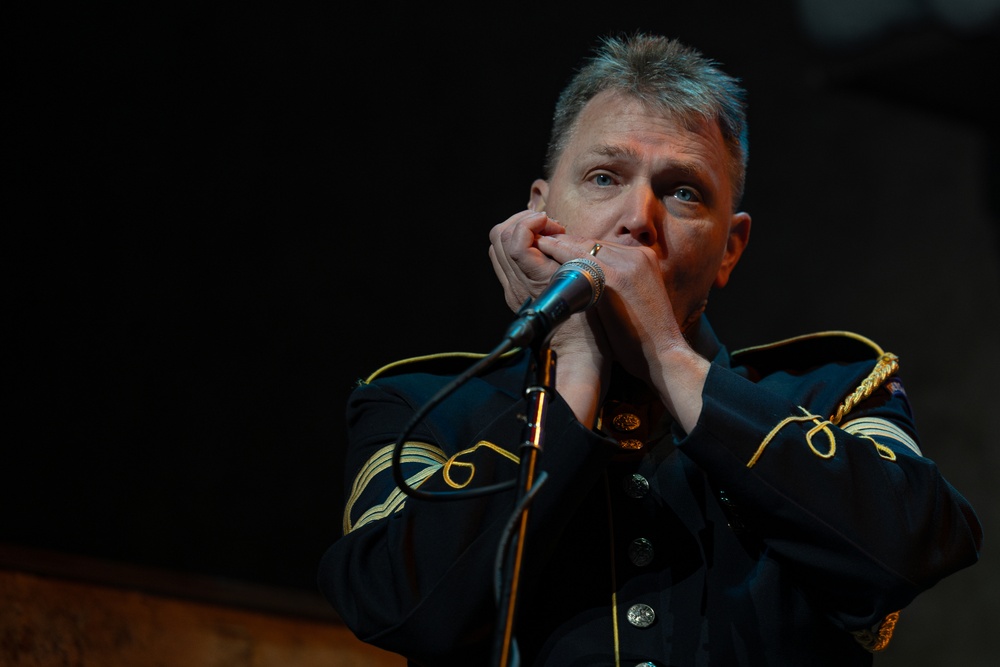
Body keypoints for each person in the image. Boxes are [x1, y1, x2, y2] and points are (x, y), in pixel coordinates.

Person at [318, 32, 982, 666]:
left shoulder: (831, 388)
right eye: (604, 176)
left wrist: (667, 354)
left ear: (731, 247)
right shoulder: (424, 405)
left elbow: (914, 546)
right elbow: (399, 605)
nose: (639, 216)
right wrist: (574, 375)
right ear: (540, 213)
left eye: (683, 190)